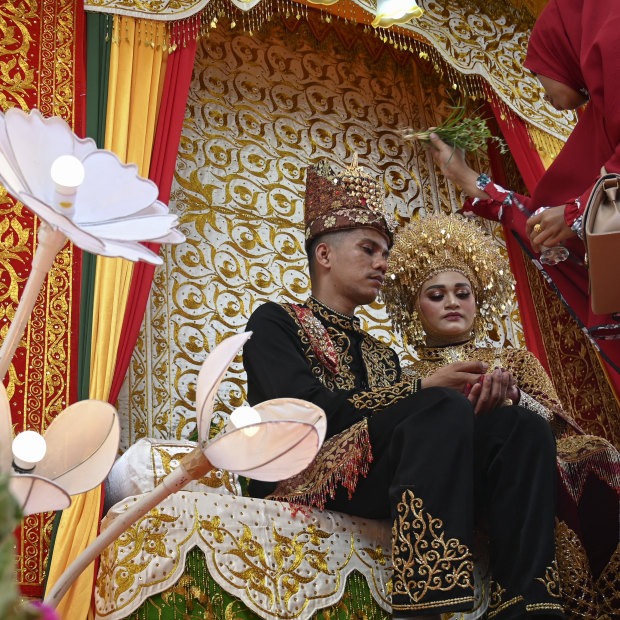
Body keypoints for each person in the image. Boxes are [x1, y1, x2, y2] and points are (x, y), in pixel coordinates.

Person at [243, 159, 563, 619]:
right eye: (369, 249)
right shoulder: (276, 322)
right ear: (325, 256)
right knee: (437, 404)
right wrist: (421, 389)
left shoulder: (382, 355)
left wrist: (480, 408)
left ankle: (527, 602)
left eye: (385, 253)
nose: (382, 264)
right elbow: (304, 415)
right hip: (303, 476)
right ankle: (425, 600)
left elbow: (415, 438)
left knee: (519, 427)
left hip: (376, 476)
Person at [382, 213, 620, 619]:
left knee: (597, 450)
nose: (453, 302)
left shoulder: (513, 359)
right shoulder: (408, 376)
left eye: (462, 292)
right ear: (414, 306)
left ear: (479, 300)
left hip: (526, 458)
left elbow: (559, 421)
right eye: (436, 295)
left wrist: (514, 398)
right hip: (459, 476)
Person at [427, 0, 620, 342]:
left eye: (535, 72)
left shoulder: (613, 39)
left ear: (564, 47)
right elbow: (551, 220)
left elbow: (581, 213)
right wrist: (469, 180)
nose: (543, 95)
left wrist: (577, 214)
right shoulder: (603, 124)